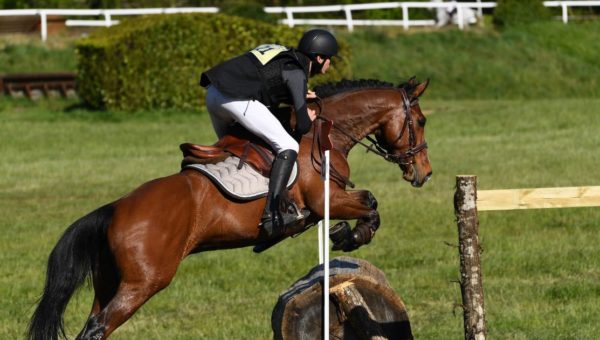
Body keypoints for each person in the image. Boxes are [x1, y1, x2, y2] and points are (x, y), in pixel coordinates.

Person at [199, 29, 338, 236]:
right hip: (235, 98)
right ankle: (273, 213)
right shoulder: (297, 72)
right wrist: (306, 116)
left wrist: (294, 94)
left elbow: (266, 81)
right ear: (319, 58)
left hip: (213, 94)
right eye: (329, 59)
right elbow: (302, 126)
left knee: (235, 147)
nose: (330, 64)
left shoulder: (284, 55)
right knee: (288, 145)